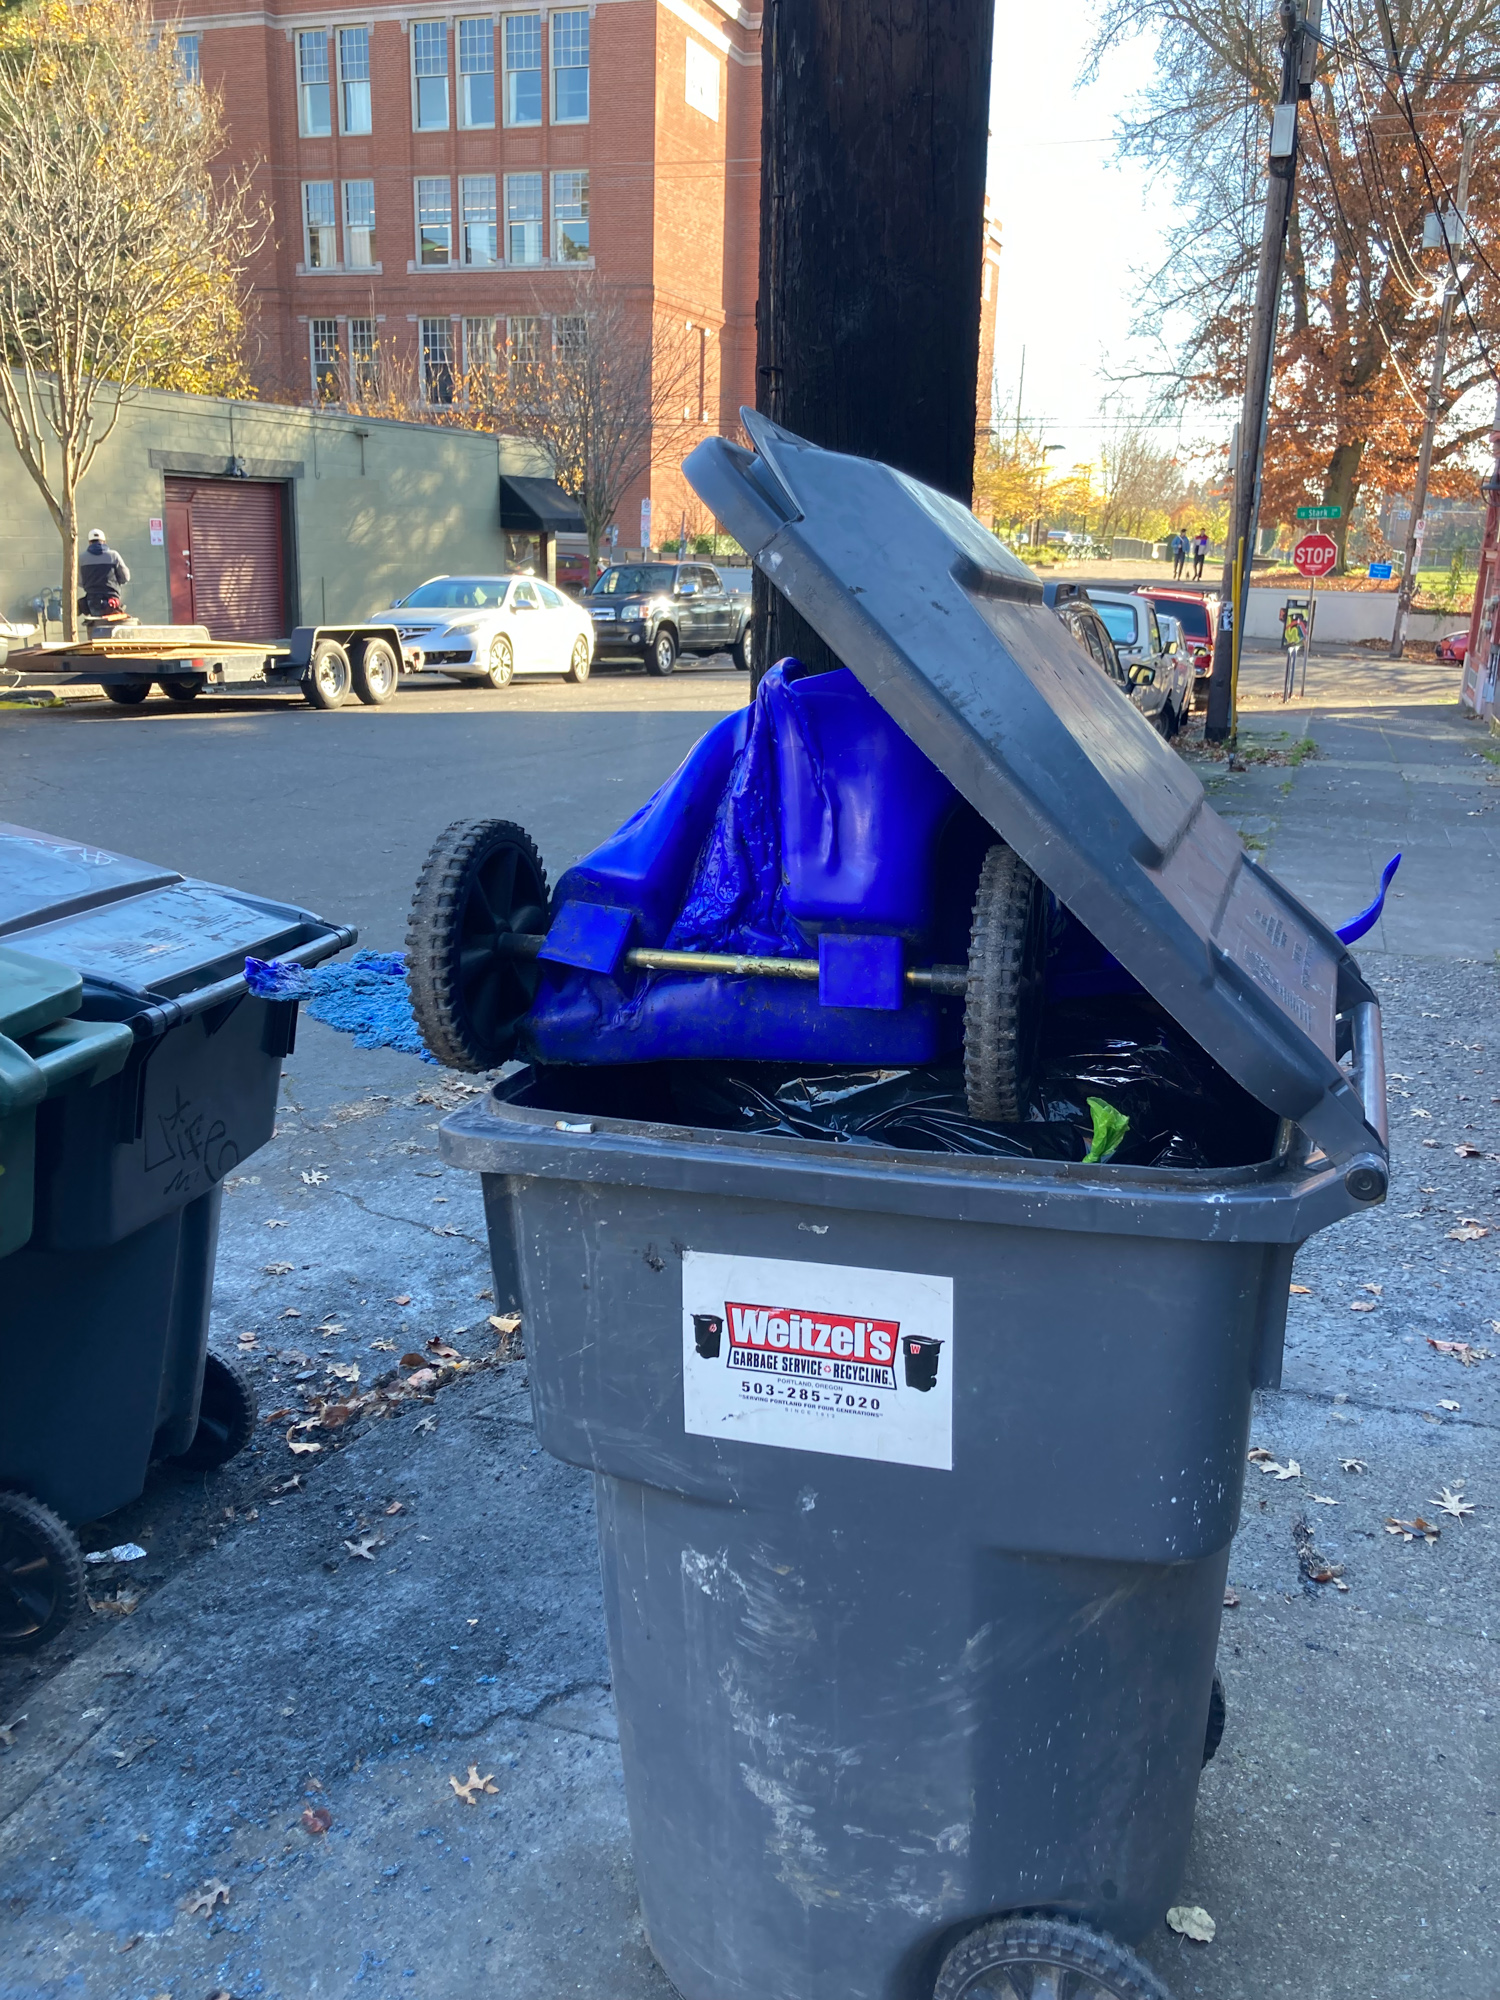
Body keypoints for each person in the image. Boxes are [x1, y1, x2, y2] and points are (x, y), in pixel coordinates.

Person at [78, 528, 130, 619]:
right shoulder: (114, 556)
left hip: (92, 601)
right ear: (104, 542)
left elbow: (79, 581)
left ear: (90, 542)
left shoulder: (82, 558)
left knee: (97, 628)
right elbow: (126, 577)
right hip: (112, 601)